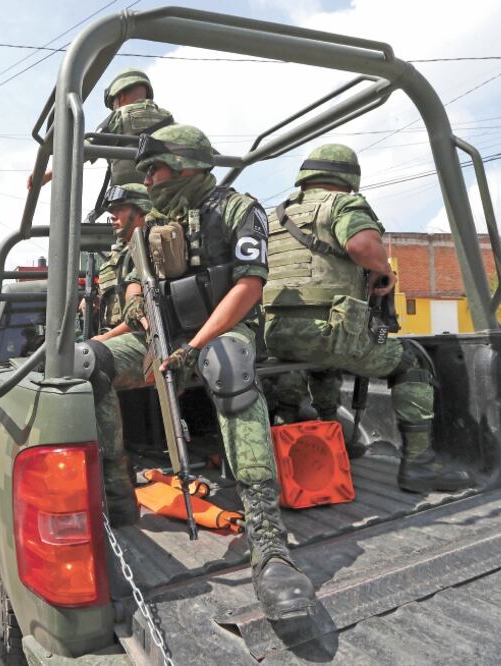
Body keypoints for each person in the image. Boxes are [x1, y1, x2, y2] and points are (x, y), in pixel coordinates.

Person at [80, 124, 317, 620]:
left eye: (155, 168)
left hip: (222, 334)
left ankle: (269, 547)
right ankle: (119, 497)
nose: (150, 178)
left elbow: (248, 287)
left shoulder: (237, 208)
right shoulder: (147, 226)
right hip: (161, 343)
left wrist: (198, 344)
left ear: (187, 164)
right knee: (90, 364)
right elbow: (131, 287)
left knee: (230, 366)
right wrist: (138, 313)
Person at [262, 143, 473, 493]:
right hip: (325, 333)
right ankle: (418, 464)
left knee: (306, 367)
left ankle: (299, 450)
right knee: (410, 362)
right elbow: (362, 246)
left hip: (276, 335)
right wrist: (383, 269)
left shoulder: (275, 217)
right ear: (347, 178)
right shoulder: (343, 204)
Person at [28, 68, 174, 189]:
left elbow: (82, 151)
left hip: (131, 201)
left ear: (120, 97)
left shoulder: (118, 116)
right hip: (165, 197)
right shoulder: (168, 119)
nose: (114, 108)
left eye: (113, 104)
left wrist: (46, 175)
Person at [93, 184, 152, 341]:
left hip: (140, 335)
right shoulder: (118, 255)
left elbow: (146, 310)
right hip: (115, 335)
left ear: (141, 211)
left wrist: (105, 338)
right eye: (112, 211)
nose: (113, 216)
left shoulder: (149, 250)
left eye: (120, 210)